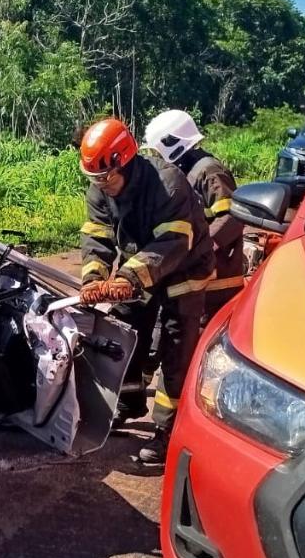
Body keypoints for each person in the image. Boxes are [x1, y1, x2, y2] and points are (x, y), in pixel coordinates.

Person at [77, 118, 214, 467]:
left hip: (184, 270)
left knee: (175, 348)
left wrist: (127, 277)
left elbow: (173, 242)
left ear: (125, 161)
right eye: (94, 179)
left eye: (106, 178)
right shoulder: (101, 187)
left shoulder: (167, 183)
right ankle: (128, 403)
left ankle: (168, 432)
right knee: (126, 335)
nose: (101, 186)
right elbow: (97, 235)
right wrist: (94, 277)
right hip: (140, 268)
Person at [143, 110, 246, 323]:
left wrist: (200, 248)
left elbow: (233, 217)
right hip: (193, 277)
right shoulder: (182, 172)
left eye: (157, 151)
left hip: (217, 280)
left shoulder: (208, 171)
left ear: (172, 144)